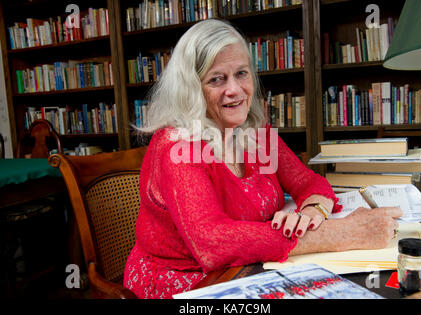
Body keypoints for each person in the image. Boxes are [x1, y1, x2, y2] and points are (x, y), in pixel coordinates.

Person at [123, 19, 401, 299]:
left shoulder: (256, 134)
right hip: (186, 282)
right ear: (191, 88)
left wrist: (313, 213)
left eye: (241, 74)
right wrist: (342, 233)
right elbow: (213, 242)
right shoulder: (177, 146)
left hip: (252, 266)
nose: (235, 90)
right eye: (216, 79)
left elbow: (309, 182)